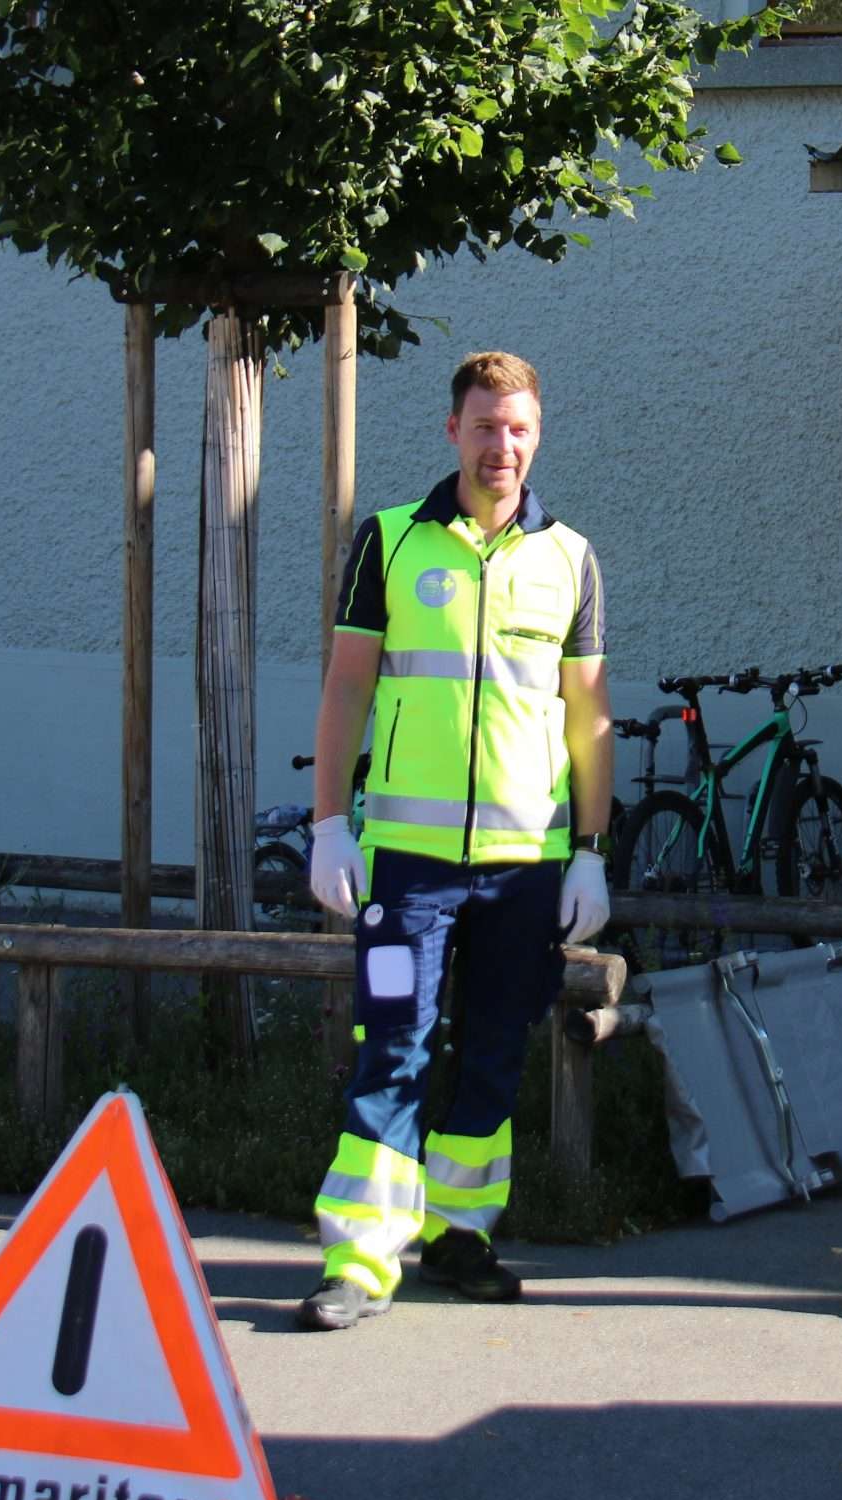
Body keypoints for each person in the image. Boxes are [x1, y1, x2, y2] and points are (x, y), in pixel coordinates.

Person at [295, 350, 613, 1332]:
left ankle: (459, 1237)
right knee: (392, 1047)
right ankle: (360, 1259)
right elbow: (347, 686)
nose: (499, 446)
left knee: (492, 1051)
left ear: (537, 436)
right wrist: (329, 822)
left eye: (517, 429)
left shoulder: (570, 558)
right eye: (483, 426)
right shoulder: (391, 541)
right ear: (452, 431)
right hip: (409, 868)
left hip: (525, 872)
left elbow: (588, 716)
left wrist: (592, 849)